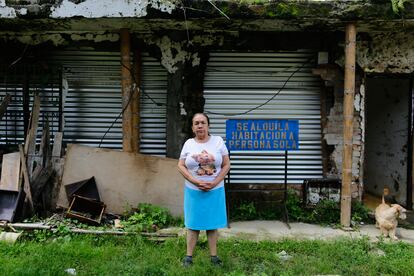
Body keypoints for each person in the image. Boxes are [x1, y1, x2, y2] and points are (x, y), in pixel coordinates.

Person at [177, 112, 230, 267]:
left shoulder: (218, 141)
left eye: (203, 122)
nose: (200, 126)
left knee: (212, 225)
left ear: (208, 125)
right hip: (194, 191)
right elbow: (180, 165)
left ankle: (214, 257)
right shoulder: (188, 144)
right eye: (196, 123)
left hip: (215, 190)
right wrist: (194, 180)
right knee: (193, 224)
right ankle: (188, 257)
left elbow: (227, 164)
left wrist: (214, 182)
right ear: (193, 127)